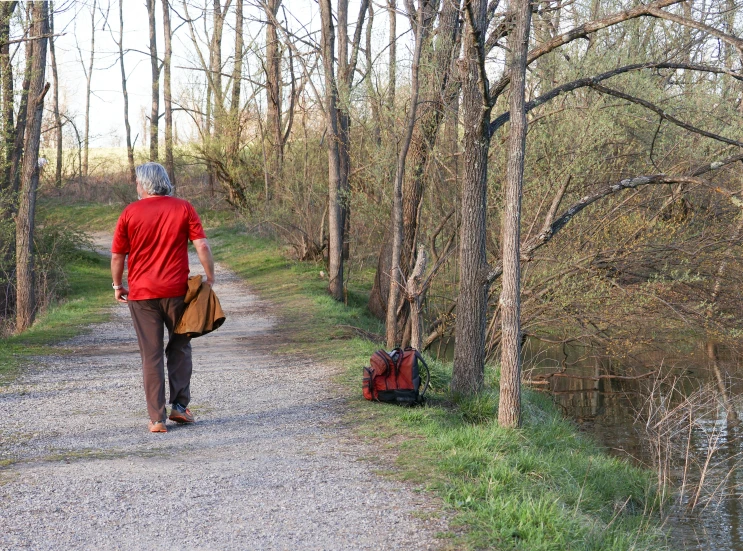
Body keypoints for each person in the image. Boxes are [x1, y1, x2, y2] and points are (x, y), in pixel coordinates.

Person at [111, 162, 215, 433]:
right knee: (180, 346)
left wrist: (117, 285)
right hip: (177, 292)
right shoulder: (183, 207)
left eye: (137, 181)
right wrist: (210, 277)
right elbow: (201, 244)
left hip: (142, 295)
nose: (135, 185)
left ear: (144, 184)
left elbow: (117, 255)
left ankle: (156, 419)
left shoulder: (130, 212)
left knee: (151, 354)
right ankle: (180, 408)